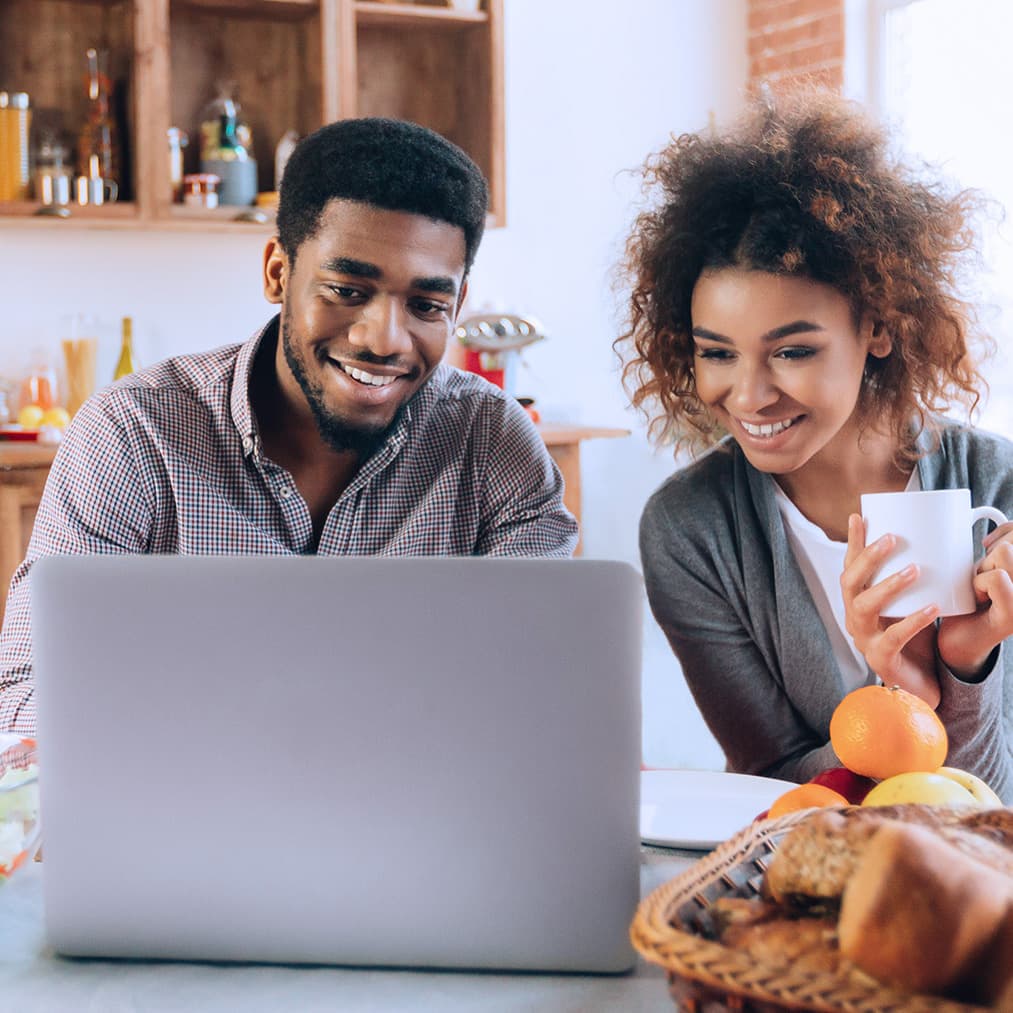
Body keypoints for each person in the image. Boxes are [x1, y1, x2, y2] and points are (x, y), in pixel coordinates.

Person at [0, 117, 578, 733]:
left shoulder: (492, 443)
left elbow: (541, 695)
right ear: (278, 271)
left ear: (457, 306)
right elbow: (27, 698)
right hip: (191, 812)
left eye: (426, 306)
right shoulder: (134, 433)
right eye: (347, 290)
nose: (383, 340)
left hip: (418, 816)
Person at [618, 90, 1013, 802]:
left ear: (880, 328)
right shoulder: (691, 529)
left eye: (791, 351)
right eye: (717, 353)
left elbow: (994, 817)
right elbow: (770, 787)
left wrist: (963, 665)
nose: (747, 395)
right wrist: (899, 697)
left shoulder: (1000, 490)